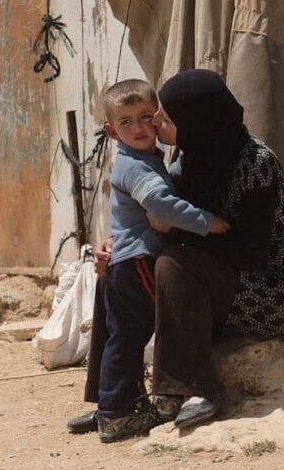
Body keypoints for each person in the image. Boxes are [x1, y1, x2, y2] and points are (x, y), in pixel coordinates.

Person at [68, 69, 284, 437]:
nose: (156, 121)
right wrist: (115, 246)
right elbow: (154, 215)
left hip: (269, 292)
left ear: (199, 121)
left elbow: (250, 252)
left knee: (173, 262)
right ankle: (112, 401)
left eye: (165, 115)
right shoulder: (188, 161)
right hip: (214, 284)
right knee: (115, 276)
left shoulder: (257, 163)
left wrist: (178, 230)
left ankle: (189, 388)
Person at [92, 78, 230, 444]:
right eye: (126, 122)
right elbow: (161, 206)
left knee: (126, 336)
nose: (138, 128)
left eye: (144, 118)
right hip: (138, 262)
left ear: (157, 117)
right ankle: (169, 398)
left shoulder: (144, 159)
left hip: (124, 263)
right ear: (111, 130)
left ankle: (114, 411)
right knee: (170, 320)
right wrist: (208, 223)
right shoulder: (136, 166)